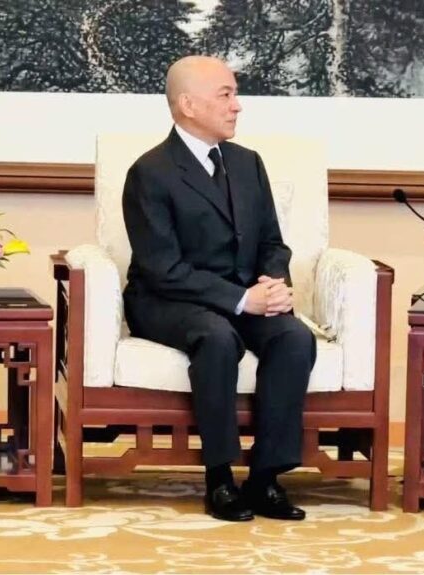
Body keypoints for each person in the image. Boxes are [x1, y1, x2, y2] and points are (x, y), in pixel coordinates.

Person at [121, 56, 316, 522]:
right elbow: (163, 268)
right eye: (225, 95)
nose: (237, 106)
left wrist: (274, 284)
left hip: (243, 295)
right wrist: (242, 299)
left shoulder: (248, 163)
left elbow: (272, 243)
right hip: (168, 299)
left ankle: (266, 478)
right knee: (217, 337)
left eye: (235, 94)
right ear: (188, 105)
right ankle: (220, 478)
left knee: (294, 337)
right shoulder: (150, 172)